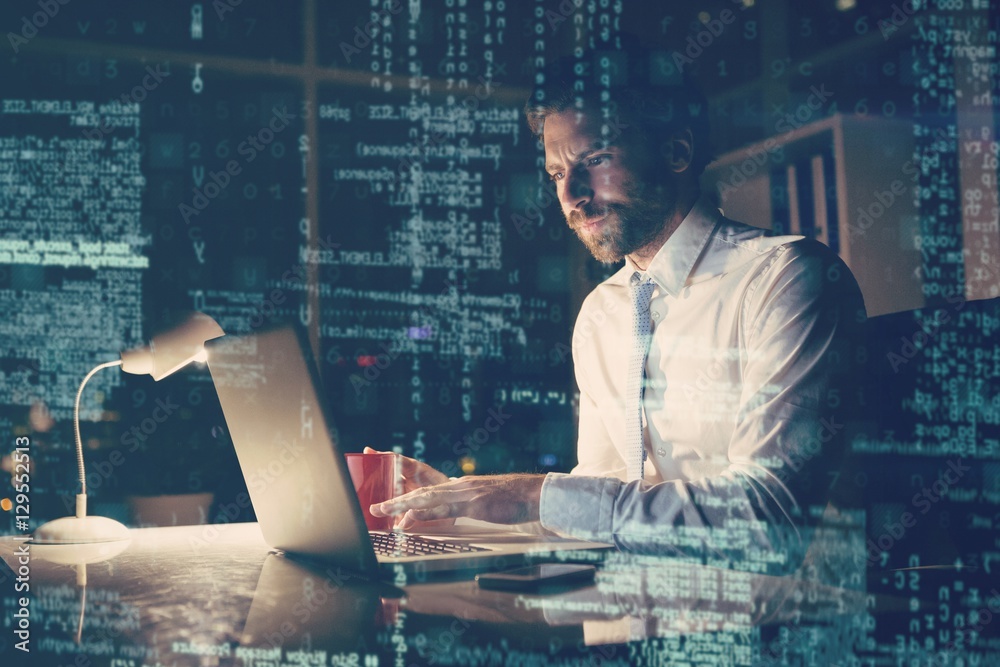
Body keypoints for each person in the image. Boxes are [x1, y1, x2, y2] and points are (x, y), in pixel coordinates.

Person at [371, 55, 866, 564]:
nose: (570, 196)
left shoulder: (786, 279)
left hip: (783, 614)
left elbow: (770, 520)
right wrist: (462, 504)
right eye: (557, 173)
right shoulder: (602, 312)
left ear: (676, 151)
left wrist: (530, 494)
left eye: (595, 160)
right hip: (638, 609)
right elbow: (601, 498)